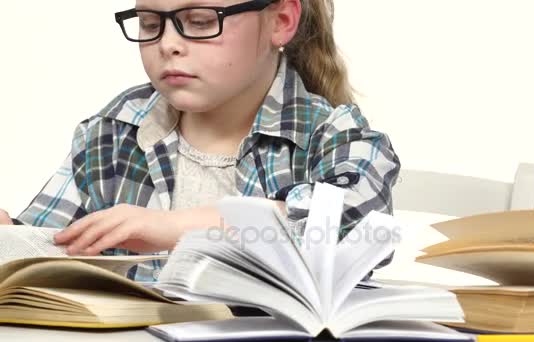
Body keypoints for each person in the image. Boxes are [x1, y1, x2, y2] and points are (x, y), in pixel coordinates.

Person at [0, 0, 400, 281]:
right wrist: (10, 237)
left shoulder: (335, 135)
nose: (168, 44)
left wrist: (172, 228)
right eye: (151, 23)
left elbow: (354, 228)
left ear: (281, 20)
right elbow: (42, 252)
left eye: (202, 20)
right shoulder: (113, 130)